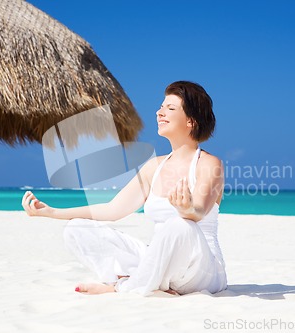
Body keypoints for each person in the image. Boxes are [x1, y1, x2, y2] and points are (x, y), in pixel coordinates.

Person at [22, 81, 227, 296]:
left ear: (191, 122)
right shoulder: (153, 167)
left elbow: (199, 211)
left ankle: (121, 286)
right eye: (161, 106)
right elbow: (112, 210)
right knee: (77, 228)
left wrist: (187, 209)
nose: (160, 112)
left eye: (170, 108)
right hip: (160, 262)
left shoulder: (210, 164)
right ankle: (153, 284)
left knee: (180, 225)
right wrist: (52, 212)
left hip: (202, 270)